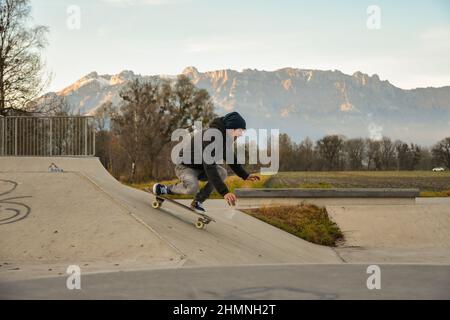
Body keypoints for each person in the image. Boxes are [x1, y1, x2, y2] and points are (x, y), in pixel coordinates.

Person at [153, 111, 260, 213]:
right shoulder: (211, 137)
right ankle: (165, 189)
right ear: (231, 128)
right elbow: (209, 167)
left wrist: (245, 175)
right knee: (192, 187)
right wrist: (225, 192)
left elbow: (231, 158)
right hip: (185, 167)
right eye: (240, 130)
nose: (241, 134)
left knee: (222, 172)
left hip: (201, 169)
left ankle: (198, 201)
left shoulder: (224, 139)